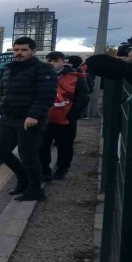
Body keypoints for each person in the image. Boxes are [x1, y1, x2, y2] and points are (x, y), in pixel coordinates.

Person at [0, 37, 58, 202]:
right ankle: (23, 180)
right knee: (1, 151)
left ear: (33, 51)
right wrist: (1, 108)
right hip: (8, 118)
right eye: (16, 50)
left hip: (29, 119)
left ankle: (35, 190)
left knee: (28, 155)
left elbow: (46, 95)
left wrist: (34, 115)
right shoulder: (8, 69)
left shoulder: (44, 69)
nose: (19, 53)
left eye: (23, 50)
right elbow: (3, 91)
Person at [39, 52, 89, 182]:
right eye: (49, 61)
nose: (52, 64)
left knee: (65, 145)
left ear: (63, 61)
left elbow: (83, 97)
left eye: (56, 61)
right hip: (45, 117)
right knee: (42, 145)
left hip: (66, 118)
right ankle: (44, 170)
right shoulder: (40, 76)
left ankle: (62, 168)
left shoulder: (75, 76)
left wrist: (73, 114)